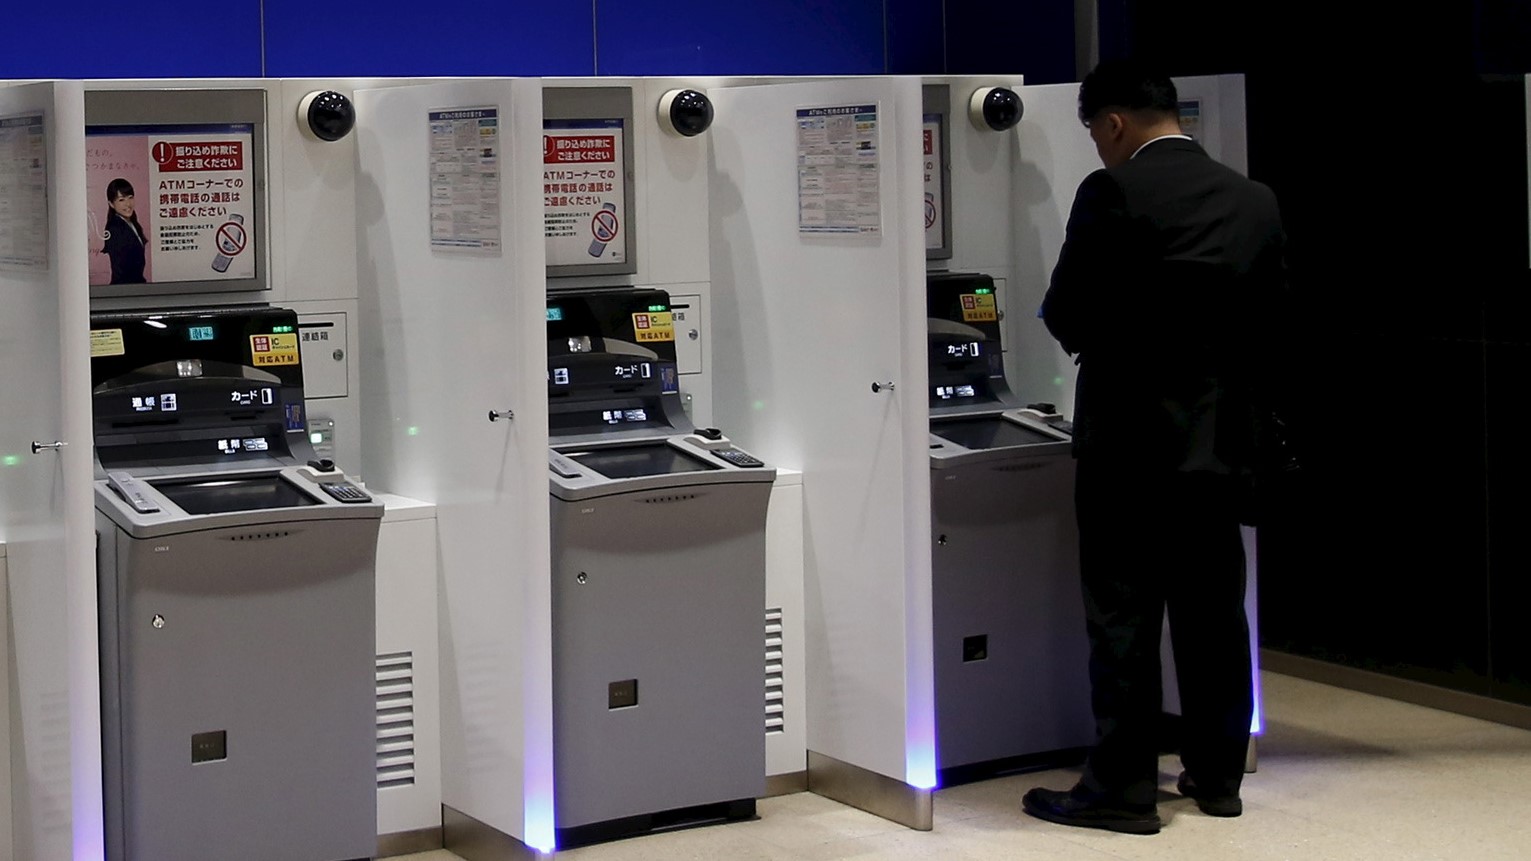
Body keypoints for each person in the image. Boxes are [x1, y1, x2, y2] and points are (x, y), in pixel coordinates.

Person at [1021, 60, 1287, 835]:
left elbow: (1066, 307)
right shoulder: (1253, 199)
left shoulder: (1113, 192)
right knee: (1212, 612)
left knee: (1123, 617)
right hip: (1218, 446)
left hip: (1128, 448)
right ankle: (1216, 775)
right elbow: (1273, 323)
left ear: (1110, 124)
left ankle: (1121, 789)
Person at [101, 178, 148, 284]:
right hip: (125, 288)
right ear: (111, 204)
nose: (128, 204)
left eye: (130, 198)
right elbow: (120, 269)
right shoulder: (115, 229)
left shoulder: (132, 223)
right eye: (121, 200)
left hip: (135, 286)